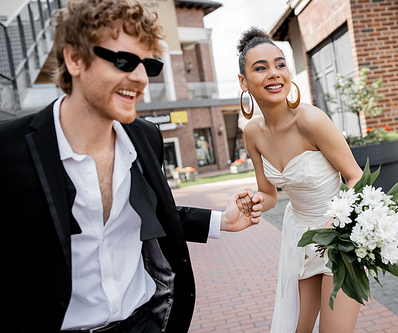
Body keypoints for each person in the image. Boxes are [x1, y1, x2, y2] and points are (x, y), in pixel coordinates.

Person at [0, 1, 263, 332]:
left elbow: (153, 213)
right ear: (75, 59)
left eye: (148, 65)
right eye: (124, 61)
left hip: (144, 323)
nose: (140, 78)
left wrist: (220, 221)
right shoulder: (9, 149)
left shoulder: (145, 137)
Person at [236, 27, 363, 332]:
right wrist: (254, 202)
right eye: (261, 68)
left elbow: (355, 176)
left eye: (280, 65)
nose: (274, 74)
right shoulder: (252, 133)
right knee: (298, 329)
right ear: (243, 81)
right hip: (301, 241)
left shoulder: (311, 120)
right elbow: (269, 194)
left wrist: (340, 224)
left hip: (340, 239)